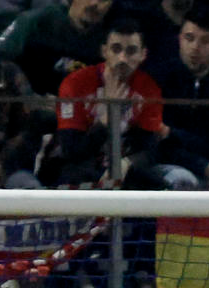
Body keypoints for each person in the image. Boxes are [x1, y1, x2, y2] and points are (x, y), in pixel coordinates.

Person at [49, 16, 162, 185]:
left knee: (158, 187)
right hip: (79, 167)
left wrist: (124, 164)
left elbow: (149, 150)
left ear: (142, 54)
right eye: (116, 49)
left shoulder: (149, 89)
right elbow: (71, 151)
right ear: (104, 51)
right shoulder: (75, 84)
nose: (122, 58)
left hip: (124, 169)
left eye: (131, 51)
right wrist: (107, 117)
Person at [150, 4, 209, 190]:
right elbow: (157, 144)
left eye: (205, 41)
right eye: (189, 38)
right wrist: (203, 166)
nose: (195, 47)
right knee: (184, 180)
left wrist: (173, 134)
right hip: (165, 161)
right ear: (179, 39)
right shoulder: (160, 77)